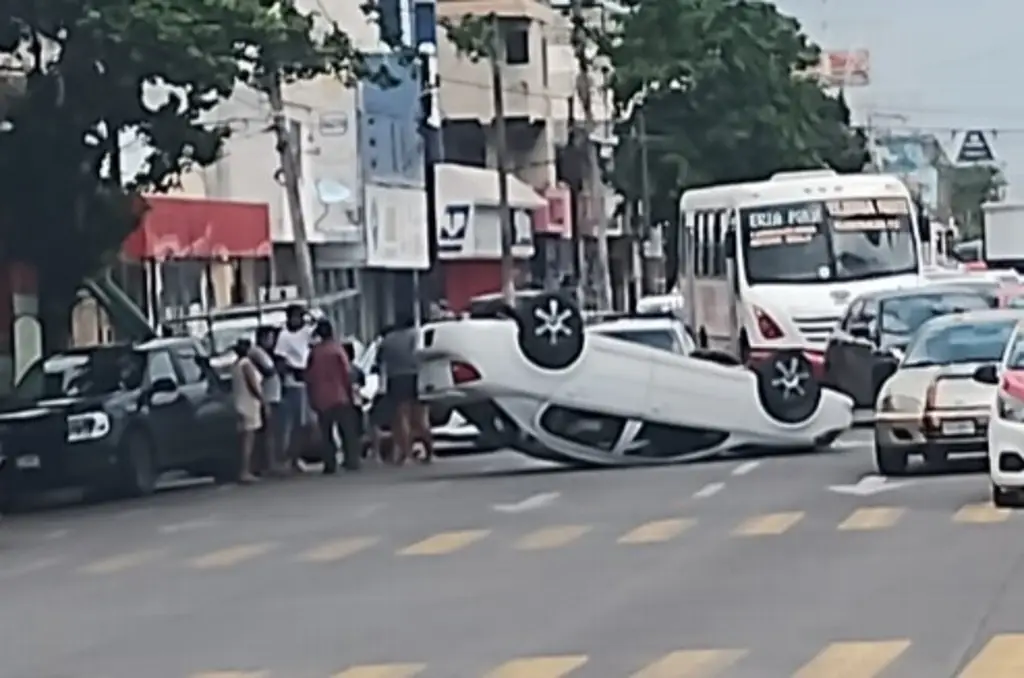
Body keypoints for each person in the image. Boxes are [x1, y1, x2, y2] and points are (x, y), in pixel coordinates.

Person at [306, 319, 360, 473]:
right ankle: (351, 460)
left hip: (321, 397)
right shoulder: (337, 350)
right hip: (340, 395)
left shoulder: (315, 352)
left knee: (326, 433)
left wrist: (311, 397)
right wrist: (351, 392)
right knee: (347, 431)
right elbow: (347, 373)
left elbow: (309, 375)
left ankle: (330, 463)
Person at [376, 313, 428, 464]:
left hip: (396, 378)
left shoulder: (388, 340)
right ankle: (429, 451)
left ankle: (406, 454)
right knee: (421, 417)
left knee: (402, 417)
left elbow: (379, 360)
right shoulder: (417, 334)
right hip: (417, 376)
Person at [273, 304, 315, 472]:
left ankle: (295, 456)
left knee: (307, 424)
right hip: (293, 383)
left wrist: (310, 315)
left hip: (306, 380)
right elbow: (280, 361)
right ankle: (290, 458)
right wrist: (291, 374)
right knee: (295, 423)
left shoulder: (306, 332)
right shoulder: (284, 337)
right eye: (297, 316)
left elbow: (320, 326)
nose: (300, 320)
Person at [230, 338, 263, 484]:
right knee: (248, 440)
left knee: (243, 440)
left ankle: (245, 469)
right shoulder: (247, 365)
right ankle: (245, 471)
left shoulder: (235, 365)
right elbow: (253, 385)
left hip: (239, 403)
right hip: (249, 403)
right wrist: (262, 400)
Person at [252, 326, 284, 474]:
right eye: (270, 338)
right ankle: (269, 463)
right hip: (266, 397)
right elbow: (269, 371)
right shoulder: (257, 353)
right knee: (268, 433)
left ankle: (270, 462)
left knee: (271, 432)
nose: (273, 341)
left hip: (272, 396)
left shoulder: (266, 354)